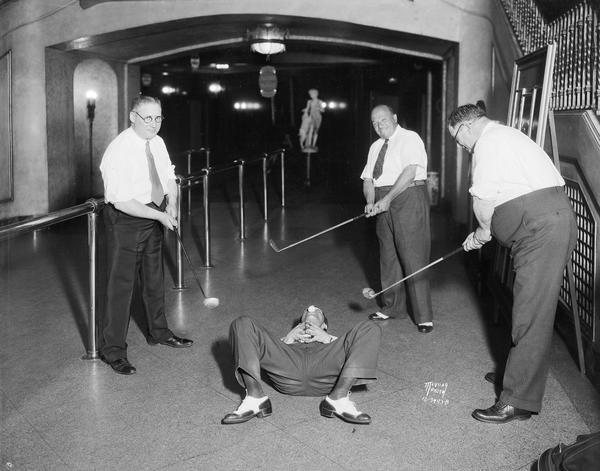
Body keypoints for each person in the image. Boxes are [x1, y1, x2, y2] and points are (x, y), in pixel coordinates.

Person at [447, 103, 577, 424]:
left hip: (540, 229)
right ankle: (516, 376)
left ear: (464, 128)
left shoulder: (487, 143)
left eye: (458, 140)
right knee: (526, 308)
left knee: (531, 313)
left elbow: (483, 201)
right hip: (542, 224)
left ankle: (517, 400)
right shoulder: (507, 135)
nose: (461, 147)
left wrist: (480, 234)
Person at [99, 95, 193, 375]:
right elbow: (120, 200)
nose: (154, 124)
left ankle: (159, 332)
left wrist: (172, 203)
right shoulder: (119, 149)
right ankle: (113, 350)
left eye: (158, 118)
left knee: (154, 277)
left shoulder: (158, 143)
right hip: (126, 219)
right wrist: (160, 216)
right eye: (147, 118)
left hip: (153, 212)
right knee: (122, 286)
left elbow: (167, 177)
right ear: (132, 117)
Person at [221, 305, 382, 425]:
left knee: (370, 327)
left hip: (325, 367)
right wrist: (287, 339)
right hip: (288, 365)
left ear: (324, 325)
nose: (311, 309)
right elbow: (259, 350)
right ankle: (255, 398)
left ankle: (338, 399)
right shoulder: (288, 338)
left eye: (318, 312)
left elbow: (354, 351)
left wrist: (326, 338)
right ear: (299, 323)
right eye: (307, 311)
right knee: (242, 323)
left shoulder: (330, 338)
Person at [361, 105, 434, 333]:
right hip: (383, 199)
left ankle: (424, 317)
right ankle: (392, 307)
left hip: (408, 195)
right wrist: (371, 202)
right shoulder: (375, 147)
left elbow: (410, 172)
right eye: (375, 122)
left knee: (413, 255)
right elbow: (369, 180)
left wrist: (389, 198)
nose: (380, 125)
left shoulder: (410, 138)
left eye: (383, 119)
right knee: (388, 257)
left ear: (394, 117)